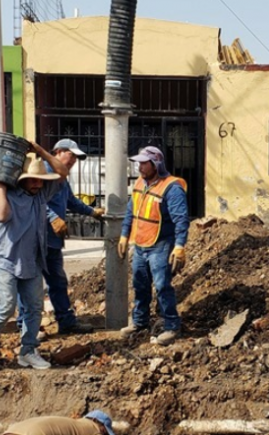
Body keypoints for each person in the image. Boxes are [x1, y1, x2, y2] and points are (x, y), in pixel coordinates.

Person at [0, 143, 69, 371]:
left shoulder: (42, 195)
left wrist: (41, 152)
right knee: (7, 304)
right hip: (5, 260)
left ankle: (28, 351)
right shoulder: (8, 196)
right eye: (32, 179)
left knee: (34, 308)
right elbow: (2, 216)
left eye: (39, 179)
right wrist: (1, 187)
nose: (37, 183)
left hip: (31, 261)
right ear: (21, 179)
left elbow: (62, 172)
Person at [117, 146, 189, 346]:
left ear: (156, 164)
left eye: (143, 163)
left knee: (162, 286)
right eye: (138, 162)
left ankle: (172, 326)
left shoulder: (171, 188)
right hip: (141, 244)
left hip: (161, 245)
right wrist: (124, 235)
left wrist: (180, 246)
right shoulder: (140, 183)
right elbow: (131, 212)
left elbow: (181, 220)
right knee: (140, 284)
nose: (139, 166)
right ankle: (140, 322)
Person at [31, 138, 104, 335]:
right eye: (71, 155)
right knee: (32, 284)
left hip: (53, 241)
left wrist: (92, 212)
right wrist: (53, 217)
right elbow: (34, 199)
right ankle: (27, 327)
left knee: (58, 282)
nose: (73, 161)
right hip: (36, 239)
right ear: (59, 152)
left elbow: (70, 201)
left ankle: (66, 321)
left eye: (75, 158)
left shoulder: (61, 177)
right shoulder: (42, 170)